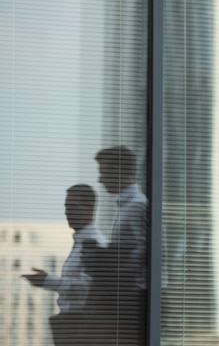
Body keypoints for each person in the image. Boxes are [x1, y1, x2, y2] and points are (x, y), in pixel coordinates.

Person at [22, 184, 107, 345]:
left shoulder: (95, 244)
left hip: (81, 327)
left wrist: (48, 281)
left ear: (90, 208)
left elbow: (89, 288)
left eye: (72, 207)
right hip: (73, 324)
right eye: (66, 207)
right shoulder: (82, 242)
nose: (67, 212)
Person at [81, 145, 148, 345]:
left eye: (103, 172)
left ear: (118, 170)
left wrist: (114, 273)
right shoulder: (128, 206)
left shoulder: (137, 206)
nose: (99, 179)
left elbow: (147, 250)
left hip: (133, 297)